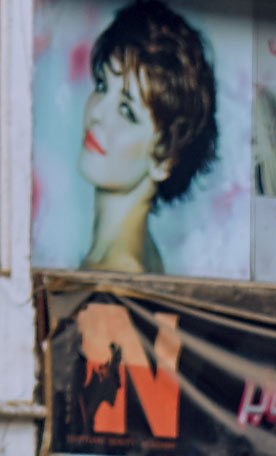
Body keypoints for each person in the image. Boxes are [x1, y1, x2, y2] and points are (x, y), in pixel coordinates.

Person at [79, 0, 218, 275]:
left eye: (126, 110)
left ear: (164, 158)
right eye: (102, 85)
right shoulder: (127, 258)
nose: (97, 112)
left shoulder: (116, 279)